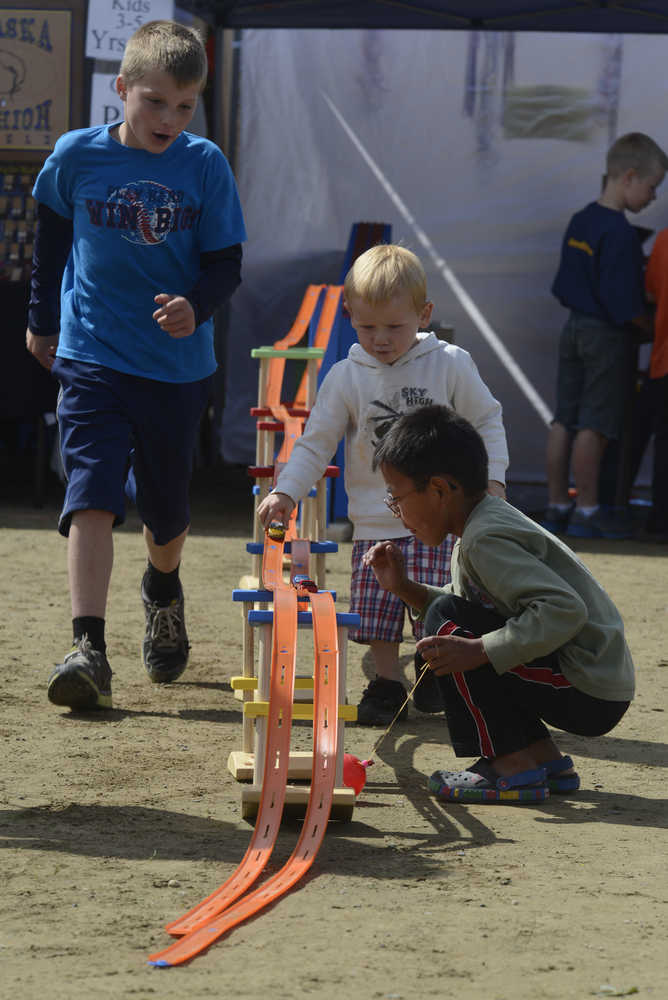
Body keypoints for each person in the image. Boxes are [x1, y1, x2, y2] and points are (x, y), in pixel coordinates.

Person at [25, 20, 247, 710]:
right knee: (90, 490)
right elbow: (51, 241)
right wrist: (42, 320)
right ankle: (87, 646)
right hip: (92, 352)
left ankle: (162, 588)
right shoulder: (75, 156)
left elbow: (226, 264)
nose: (169, 119)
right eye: (155, 102)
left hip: (176, 365)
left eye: (184, 106)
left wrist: (194, 306)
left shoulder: (204, 163)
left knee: (166, 512)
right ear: (120, 90)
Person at [256, 244, 509, 726]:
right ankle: (387, 681)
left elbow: (487, 421)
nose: (382, 339)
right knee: (377, 606)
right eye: (367, 327)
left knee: (442, 599)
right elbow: (316, 442)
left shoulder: (450, 363)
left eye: (394, 326)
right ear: (349, 315)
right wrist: (286, 490)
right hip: (375, 518)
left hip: (442, 517)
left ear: (424, 313)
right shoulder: (345, 376)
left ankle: (436, 670)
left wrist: (492, 482)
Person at [364, 404, 635, 803]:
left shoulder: (484, 538)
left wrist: (479, 650)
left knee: (458, 636)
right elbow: (468, 610)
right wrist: (405, 587)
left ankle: (510, 765)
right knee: (454, 625)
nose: (397, 511)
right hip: (592, 679)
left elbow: (563, 610)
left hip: (586, 685)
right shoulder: (479, 525)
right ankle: (542, 758)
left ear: (438, 489)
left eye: (397, 498)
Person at [544, 131, 667, 539]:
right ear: (629, 177)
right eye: (651, 188)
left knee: (564, 419)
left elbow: (563, 282)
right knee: (594, 425)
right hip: (605, 338)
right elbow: (624, 304)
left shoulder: (582, 219)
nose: (652, 198)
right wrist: (651, 327)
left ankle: (558, 503)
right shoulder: (620, 234)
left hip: (573, 328)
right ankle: (590, 509)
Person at [642, 227, 668, 540]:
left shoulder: (663, 238)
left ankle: (661, 521)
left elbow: (650, 292)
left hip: (664, 361)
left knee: (664, 445)